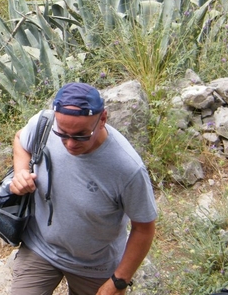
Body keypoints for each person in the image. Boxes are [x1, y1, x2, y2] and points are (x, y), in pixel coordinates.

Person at [10, 82, 157, 295]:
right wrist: (21, 172)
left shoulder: (127, 168)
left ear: (103, 119)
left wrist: (118, 281)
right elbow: (21, 140)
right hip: (41, 247)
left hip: (95, 265)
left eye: (81, 135)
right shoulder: (45, 123)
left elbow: (144, 229)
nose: (70, 144)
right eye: (62, 134)